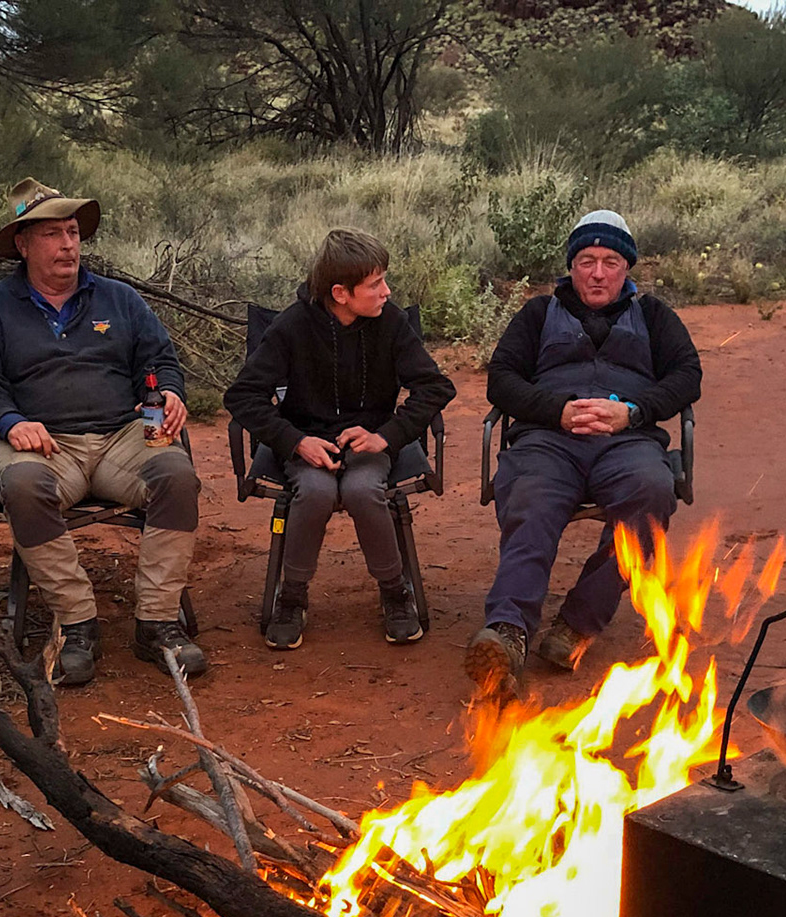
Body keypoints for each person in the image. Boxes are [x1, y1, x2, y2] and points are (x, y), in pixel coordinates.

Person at [0, 178, 206, 685]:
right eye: (53, 234)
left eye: (73, 232)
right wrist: (11, 422)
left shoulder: (120, 299)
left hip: (122, 435)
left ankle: (157, 623)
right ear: (23, 245)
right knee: (23, 486)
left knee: (177, 473)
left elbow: (158, 361)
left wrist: (171, 392)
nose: (68, 244)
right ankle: (75, 624)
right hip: (44, 443)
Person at [466, 209, 703, 694]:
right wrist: (557, 410)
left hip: (627, 441)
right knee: (531, 500)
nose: (598, 272)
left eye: (611, 261)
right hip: (547, 441)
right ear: (571, 266)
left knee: (652, 491)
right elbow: (502, 379)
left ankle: (578, 623)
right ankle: (508, 632)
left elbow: (687, 376)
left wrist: (633, 412)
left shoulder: (654, 316)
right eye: (587, 260)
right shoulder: (536, 314)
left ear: (627, 268)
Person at [223, 228, 455, 650]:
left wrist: (387, 435)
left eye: (384, 279)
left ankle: (393, 591)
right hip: (305, 443)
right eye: (375, 284)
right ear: (341, 293)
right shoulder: (292, 326)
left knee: (365, 489)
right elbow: (242, 396)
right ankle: (292, 595)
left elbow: (436, 387)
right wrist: (295, 441)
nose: (387, 291)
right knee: (312, 492)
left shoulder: (392, 323)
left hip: (370, 443)